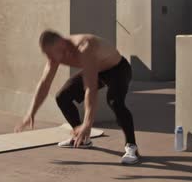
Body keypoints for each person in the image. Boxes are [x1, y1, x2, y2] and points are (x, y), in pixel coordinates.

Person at [15, 29, 139, 164]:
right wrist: (31, 111)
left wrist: (87, 123)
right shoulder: (55, 56)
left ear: (62, 44)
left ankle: (131, 146)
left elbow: (90, 88)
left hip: (118, 69)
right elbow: (44, 83)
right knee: (62, 97)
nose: (50, 58)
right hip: (97, 70)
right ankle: (82, 138)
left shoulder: (84, 47)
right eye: (47, 54)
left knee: (115, 101)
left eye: (51, 53)